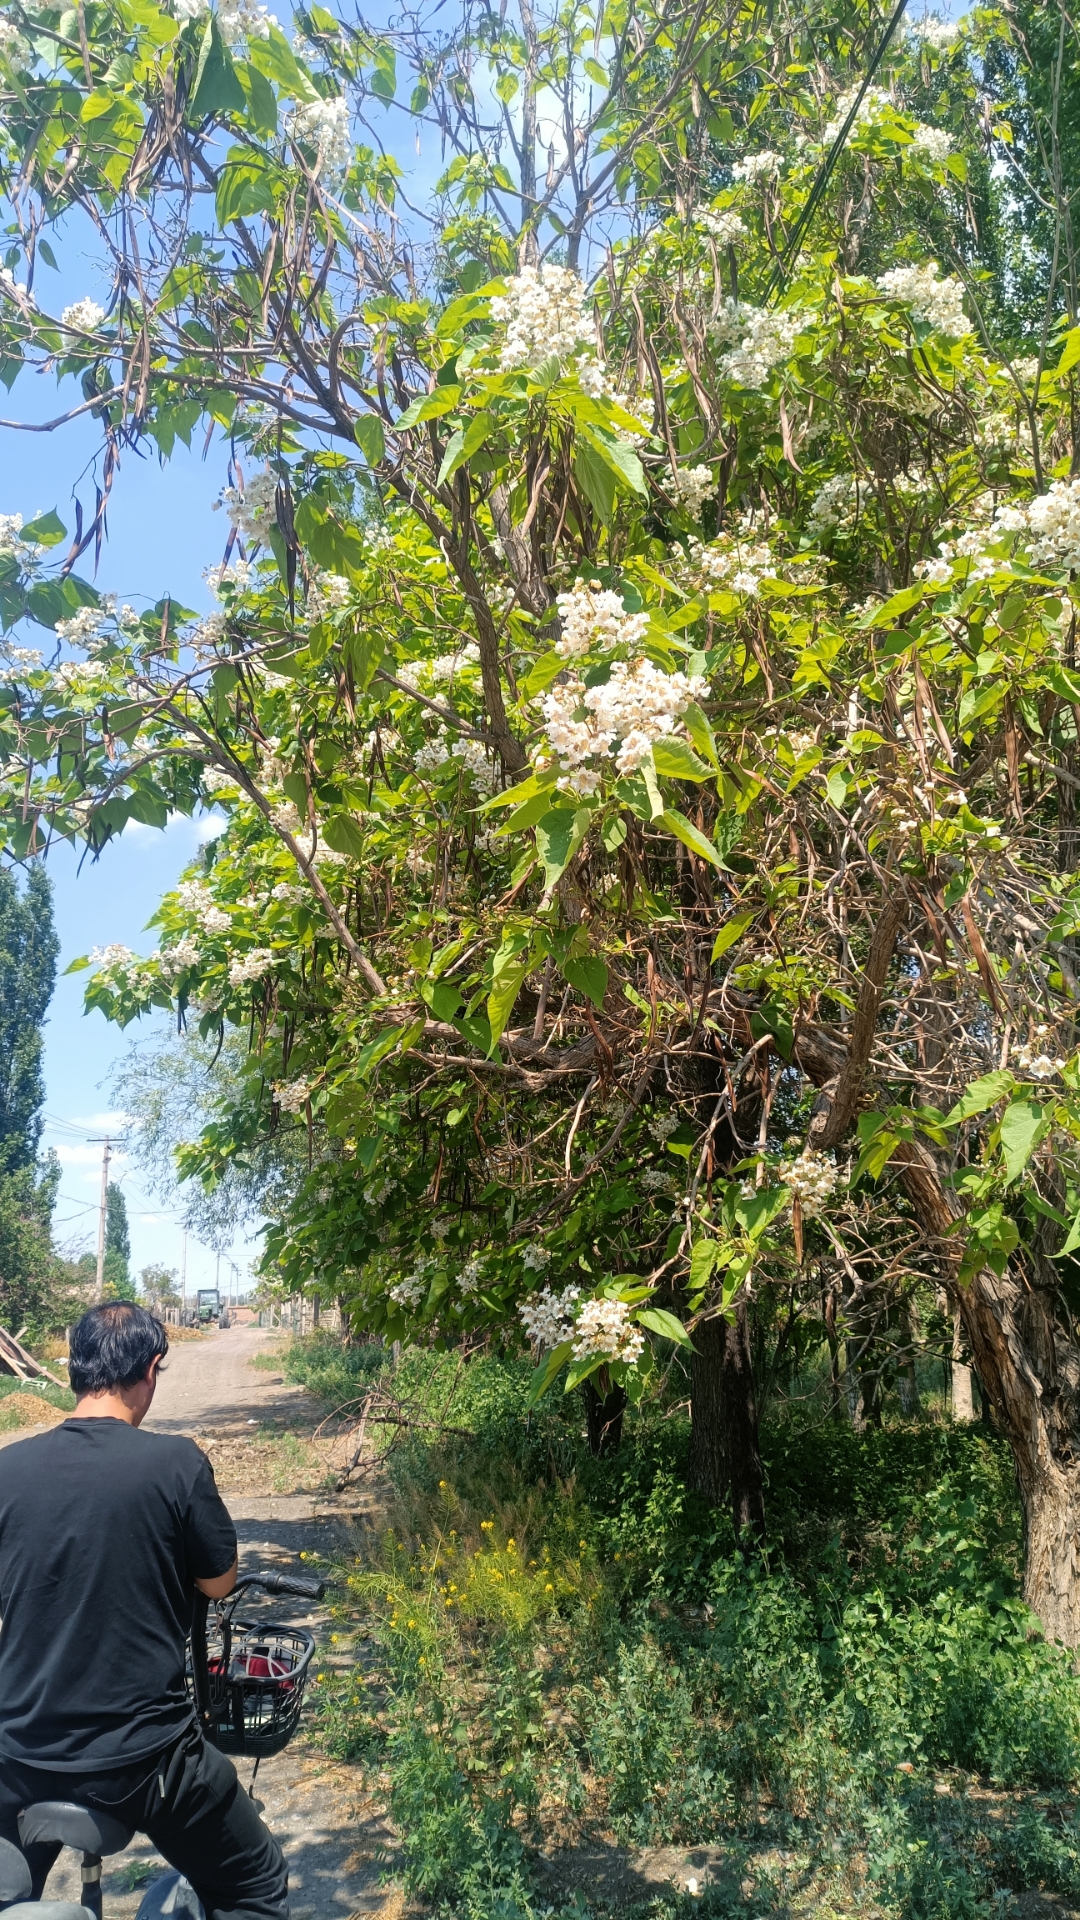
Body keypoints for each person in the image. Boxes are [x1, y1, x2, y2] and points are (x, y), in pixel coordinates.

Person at [0, 1301, 288, 1920]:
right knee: (254, 1887)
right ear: (151, 1368)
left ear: (76, 1367)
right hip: (145, 1761)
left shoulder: (7, 1469)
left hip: (19, 1756)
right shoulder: (175, 1463)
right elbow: (219, 1583)